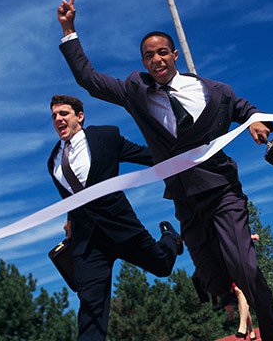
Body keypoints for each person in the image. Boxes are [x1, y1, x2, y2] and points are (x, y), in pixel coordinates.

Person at [56, 0, 273, 340]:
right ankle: (225, 291)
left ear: (174, 55)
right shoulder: (135, 91)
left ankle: (271, 332)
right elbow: (89, 79)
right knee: (213, 279)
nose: (157, 59)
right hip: (185, 203)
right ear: (144, 62)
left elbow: (243, 107)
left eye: (163, 52)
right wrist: (69, 30)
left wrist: (253, 120)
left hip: (221, 191)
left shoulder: (213, 90)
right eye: (149, 56)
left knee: (245, 266)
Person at [47, 95, 182, 340]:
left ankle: (171, 238)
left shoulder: (106, 137)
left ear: (79, 116)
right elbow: (72, 196)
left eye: (63, 113)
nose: (58, 119)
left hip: (121, 227)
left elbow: (148, 155)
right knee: (90, 307)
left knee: (162, 265)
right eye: (54, 116)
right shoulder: (53, 161)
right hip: (87, 242)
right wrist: (70, 219)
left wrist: (187, 154)